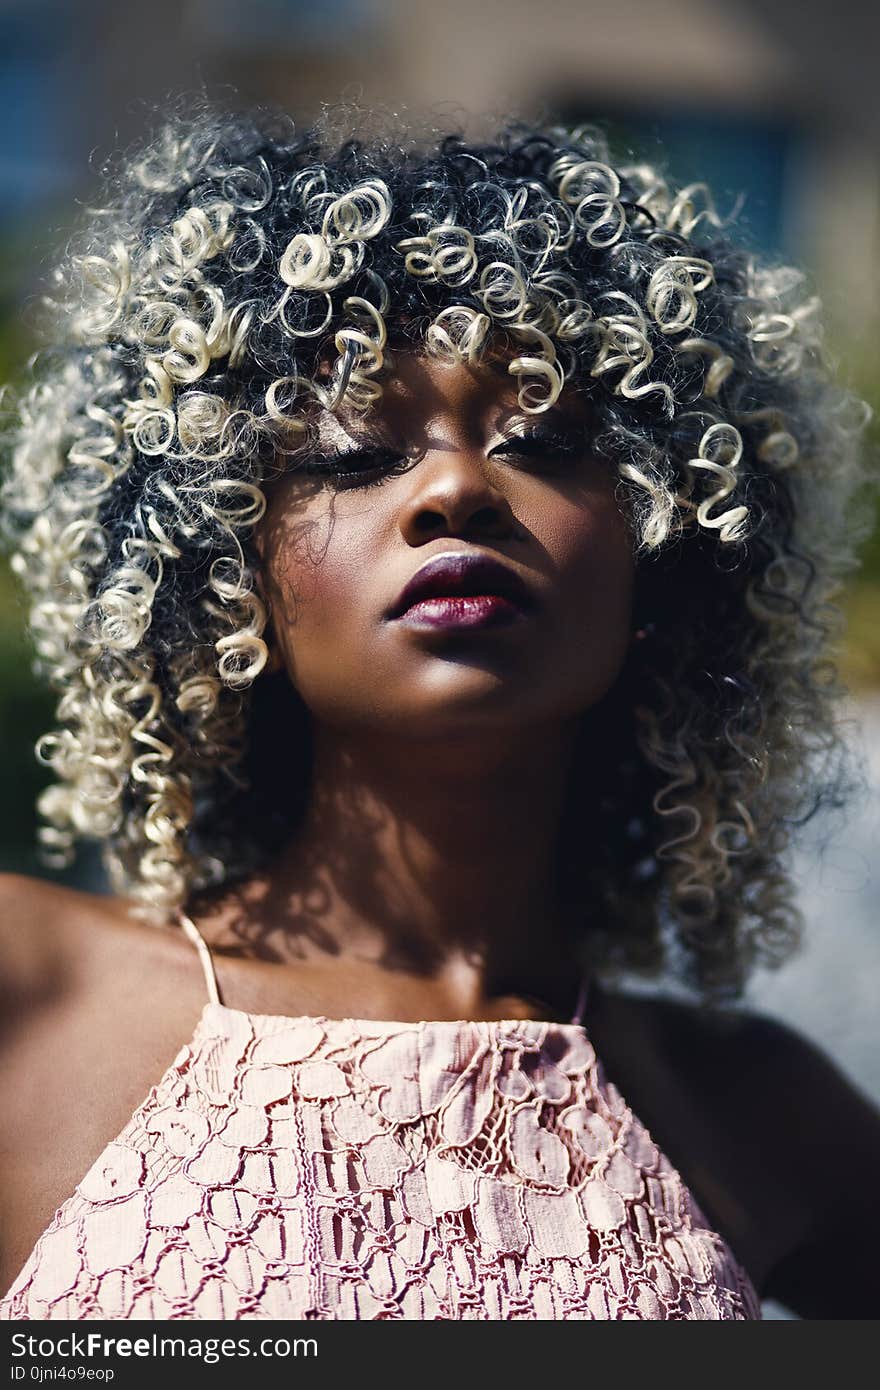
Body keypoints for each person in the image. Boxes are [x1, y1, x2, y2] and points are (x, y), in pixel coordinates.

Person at [1, 99, 878, 1322]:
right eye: (357, 454)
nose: (457, 484)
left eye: (549, 440)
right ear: (218, 569)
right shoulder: (31, 995)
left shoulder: (750, 1114)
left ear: (667, 553)